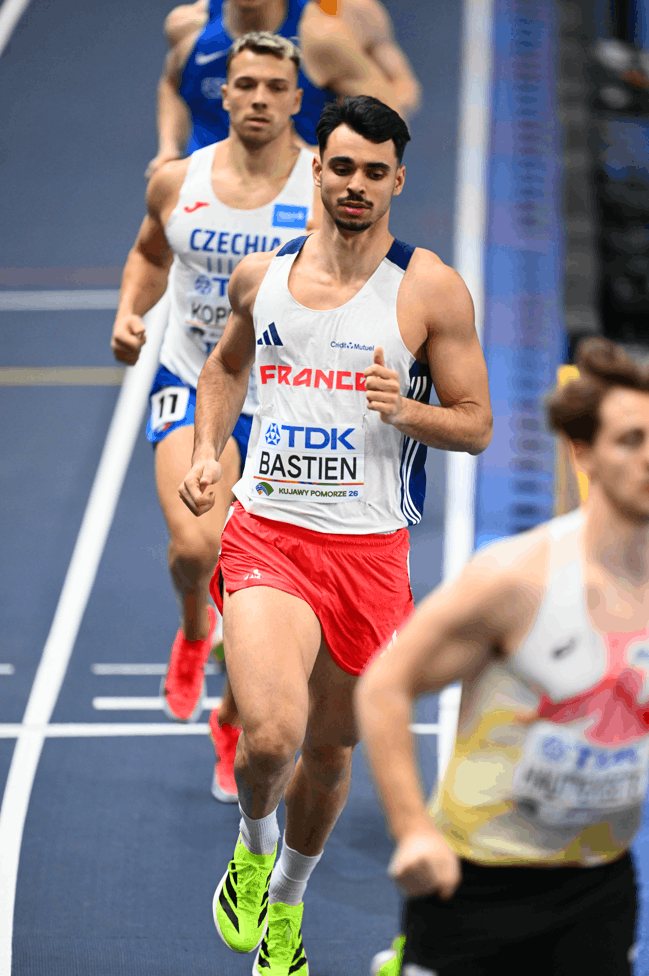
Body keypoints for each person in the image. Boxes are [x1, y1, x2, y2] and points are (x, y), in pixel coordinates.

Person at [179, 95, 491, 976]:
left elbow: (476, 424)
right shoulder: (262, 278)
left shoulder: (427, 287)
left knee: (329, 749)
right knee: (271, 737)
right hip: (268, 534)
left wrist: (410, 410)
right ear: (315, 167)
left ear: (397, 177)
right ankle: (251, 846)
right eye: (340, 166)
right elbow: (226, 366)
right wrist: (211, 452)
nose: (354, 184)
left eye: (372, 170)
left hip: (368, 555)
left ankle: (286, 901)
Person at [356, 337, 649, 976]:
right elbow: (383, 687)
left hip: (598, 882)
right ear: (584, 453)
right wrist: (413, 830)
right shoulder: (516, 581)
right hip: (477, 884)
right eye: (631, 440)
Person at [111, 32, 320, 800]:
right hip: (193, 377)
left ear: (298, 100)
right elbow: (148, 255)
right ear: (221, 95)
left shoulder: (324, 189)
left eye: (275, 86)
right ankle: (194, 631)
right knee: (197, 549)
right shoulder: (177, 182)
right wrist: (130, 312)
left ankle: (231, 717)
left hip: (289, 403)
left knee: (256, 588)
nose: (260, 98)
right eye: (246, 85)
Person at [146, 0, 421, 178]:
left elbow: (388, 111)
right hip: (205, 187)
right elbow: (173, 83)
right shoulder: (188, 25)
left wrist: (329, 155)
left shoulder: (321, 35)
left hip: (291, 193)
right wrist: (168, 149)